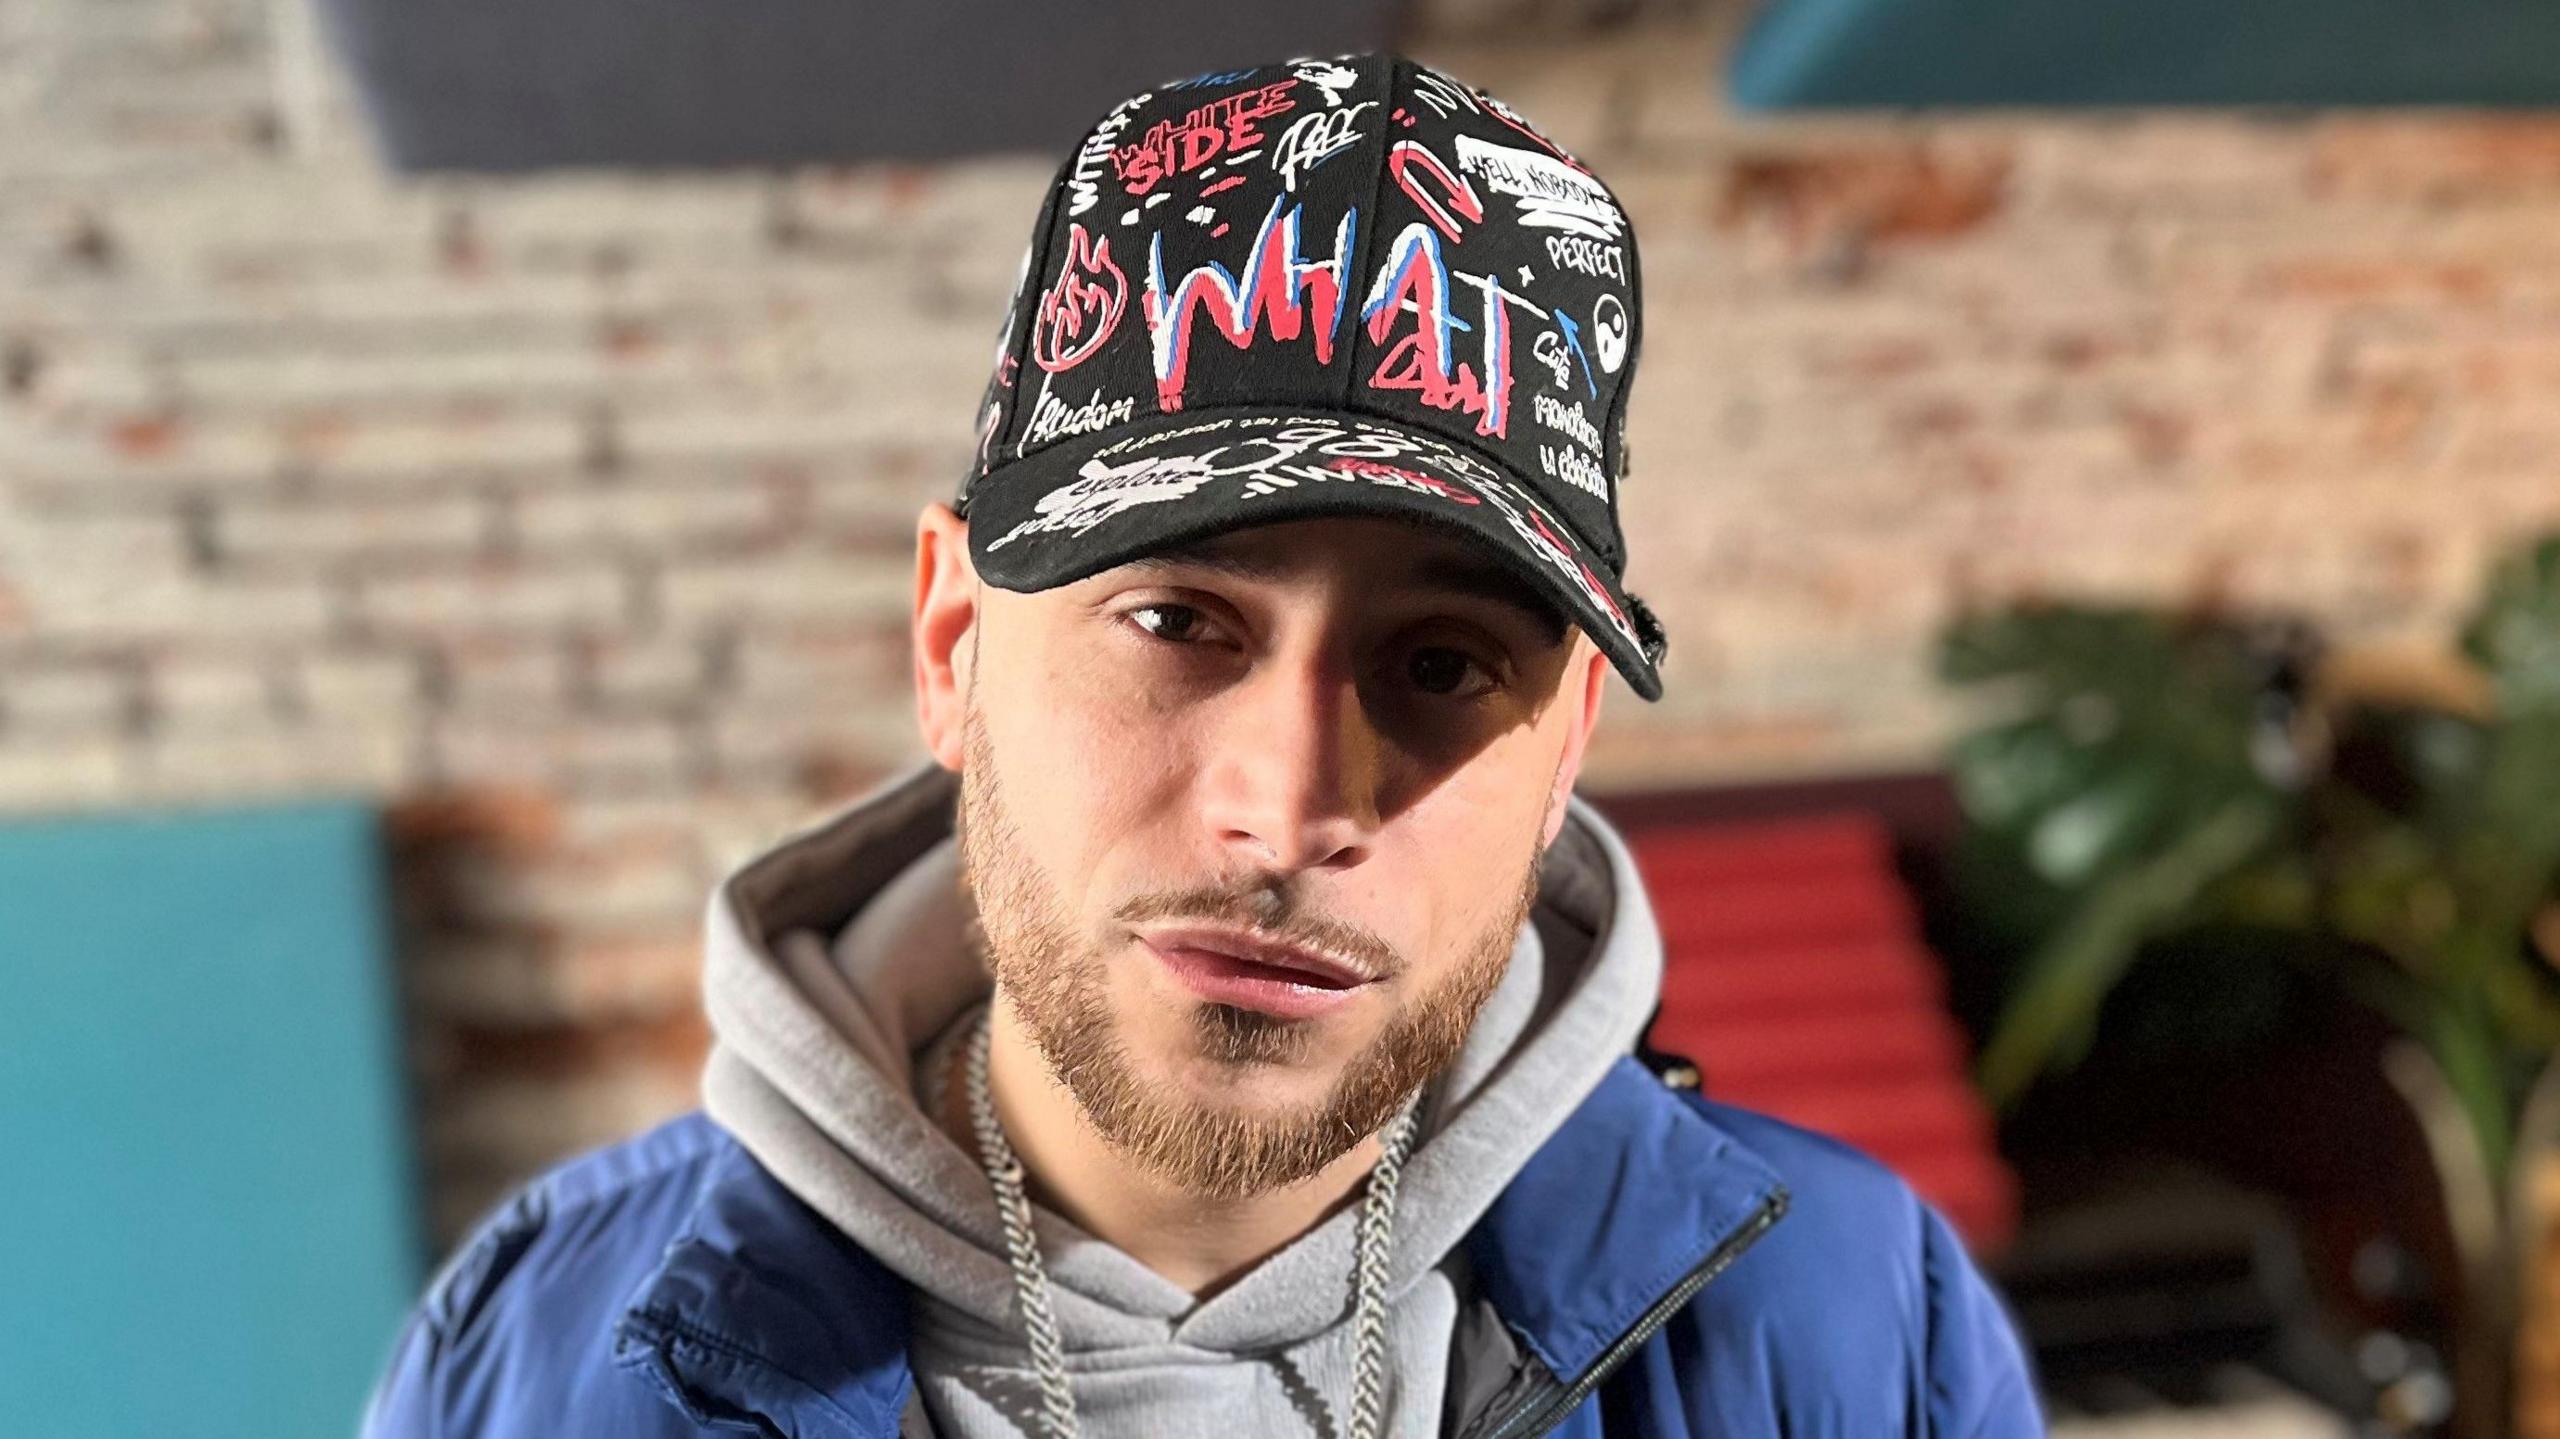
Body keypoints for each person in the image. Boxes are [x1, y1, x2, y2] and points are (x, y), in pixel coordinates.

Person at [361, 51, 2042, 1438]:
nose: (1291, 804)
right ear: (955, 645)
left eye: (1444, 663)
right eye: (1177, 625)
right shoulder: (541, 1353)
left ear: (1564, 754)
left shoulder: (1852, 1313)